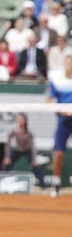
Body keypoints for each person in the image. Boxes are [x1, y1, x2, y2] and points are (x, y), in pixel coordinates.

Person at [47, 55, 72, 197]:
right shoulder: (57, 81)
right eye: (67, 62)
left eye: (71, 63)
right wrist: (60, 110)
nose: (69, 65)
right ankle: (56, 182)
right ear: (64, 64)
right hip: (63, 121)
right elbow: (49, 100)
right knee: (59, 152)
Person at [0, 113, 46, 190]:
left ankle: (43, 187)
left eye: (22, 119)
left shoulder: (29, 133)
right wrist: (7, 157)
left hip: (27, 151)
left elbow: (33, 147)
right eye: (18, 119)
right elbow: (8, 144)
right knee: (6, 165)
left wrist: (34, 159)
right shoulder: (13, 131)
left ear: (25, 121)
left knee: (36, 167)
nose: (20, 121)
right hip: (17, 150)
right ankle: (1, 184)